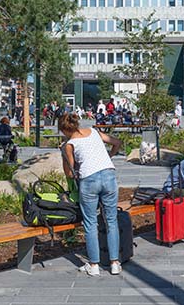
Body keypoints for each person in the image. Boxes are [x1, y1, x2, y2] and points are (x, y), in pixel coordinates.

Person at [58, 113, 123, 276]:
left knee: (90, 222)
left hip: (89, 180)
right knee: (111, 220)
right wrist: (108, 157)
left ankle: (94, 265)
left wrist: (64, 156)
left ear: (64, 130)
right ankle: (115, 263)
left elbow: (70, 173)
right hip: (109, 176)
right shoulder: (94, 131)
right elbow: (117, 142)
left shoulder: (69, 144)